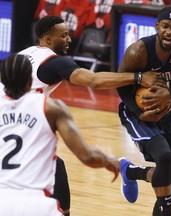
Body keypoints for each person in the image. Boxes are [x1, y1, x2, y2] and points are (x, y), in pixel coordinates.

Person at [15, 15, 164, 216]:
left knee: (54, 166)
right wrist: (138, 77)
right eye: (64, 36)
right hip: (15, 121)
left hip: (12, 118)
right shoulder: (55, 62)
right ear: (48, 39)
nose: (70, 40)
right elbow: (93, 80)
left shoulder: (24, 54)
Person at [0, 54, 120, 216]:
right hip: (36, 203)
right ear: (30, 81)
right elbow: (87, 156)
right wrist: (108, 160)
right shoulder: (50, 108)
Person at [117, 6, 171, 216]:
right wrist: (139, 112)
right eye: (165, 26)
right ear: (157, 26)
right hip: (136, 112)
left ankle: (131, 171)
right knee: (164, 156)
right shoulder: (139, 50)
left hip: (167, 111)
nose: (169, 31)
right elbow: (120, 83)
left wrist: (170, 94)